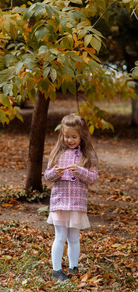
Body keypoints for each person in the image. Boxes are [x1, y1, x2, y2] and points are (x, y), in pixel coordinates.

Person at [44, 114, 98, 282]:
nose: (70, 140)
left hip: (76, 203)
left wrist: (80, 171)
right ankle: (56, 271)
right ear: (62, 135)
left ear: (82, 135)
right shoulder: (57, 154)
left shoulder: (87, 156)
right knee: (60, 236)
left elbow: (93, 178)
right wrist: (55, 173)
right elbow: (47, 176)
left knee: (74, 237)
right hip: (60, 201)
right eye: (66, 136)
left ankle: (73, 267)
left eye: (74, 136)